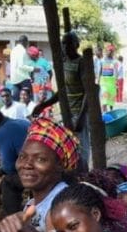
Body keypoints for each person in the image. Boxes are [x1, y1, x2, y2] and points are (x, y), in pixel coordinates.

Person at [35, 32, 89, 165]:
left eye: (68, 43)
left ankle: (83, 177)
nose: (65, 46)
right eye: (63, 43)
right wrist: (43, 105)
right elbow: (62, 92)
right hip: (67, 113)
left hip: (78, 113)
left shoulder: (81, 63)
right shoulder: (63, 64)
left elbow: (89, 92)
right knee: (69, 150)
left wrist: (82, 117)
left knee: (81, 151)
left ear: (76, 44)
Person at [9, 35, 34, 101]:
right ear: (25, 42)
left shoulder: (13, 50)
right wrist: (33, 69)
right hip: (23, 78)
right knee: (29, 100)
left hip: (14, 79)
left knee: (15, 101)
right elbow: (21, 66)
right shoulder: (22, 51)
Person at [99, 44, 117, 111]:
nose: (110, 52)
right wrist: (98, 80)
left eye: (112, 51)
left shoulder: (114, 61)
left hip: (111, 81)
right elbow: (100, 71)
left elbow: (116, 72)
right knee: (105, 98)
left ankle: (111, 111)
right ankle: (104, 113)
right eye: (109, 50)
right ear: (106, 51)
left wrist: (116, 82)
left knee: (111, 98)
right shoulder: (102, 60)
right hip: (104, 81)